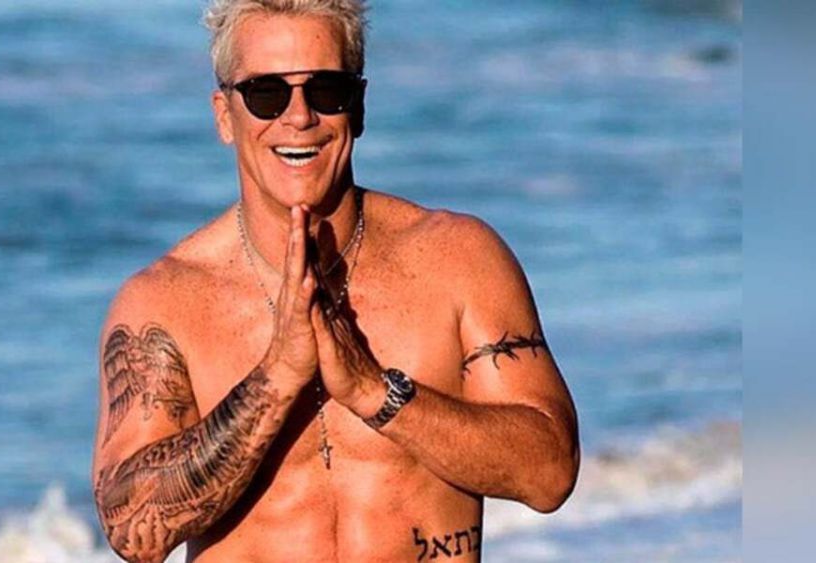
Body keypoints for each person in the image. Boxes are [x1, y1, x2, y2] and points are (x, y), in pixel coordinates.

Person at [91, 1, 579, 561]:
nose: (299, 117)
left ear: (359, 106)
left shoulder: (457, 260)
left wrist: (374, 391)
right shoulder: (166, 300)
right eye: (266, 94)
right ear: (224, 115)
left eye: (326, 90)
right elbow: (132, 532)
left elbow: (550, 474)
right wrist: (275, 379)